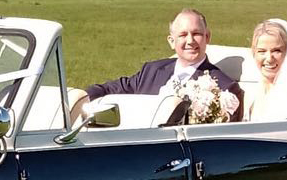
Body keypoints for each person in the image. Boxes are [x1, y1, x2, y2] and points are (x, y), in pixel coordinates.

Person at [85, 8, 243, 123]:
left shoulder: (224, 88)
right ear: (171, 41)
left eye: (196, 34)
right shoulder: (152, 70)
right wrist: (81, 97)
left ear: (207, 37)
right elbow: (113, 88)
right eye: (182, 35)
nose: (190, 41)